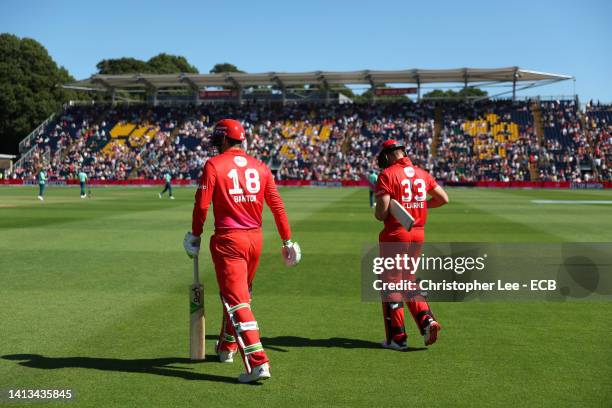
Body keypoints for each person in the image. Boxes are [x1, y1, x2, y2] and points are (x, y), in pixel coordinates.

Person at [183, 119, 301, 383]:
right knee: (237, 295)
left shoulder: (214, 165)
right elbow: (277, 206)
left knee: (237, 301)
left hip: (229, 240)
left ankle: (258, 363)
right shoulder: (261, 167)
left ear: (224, 140)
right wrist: (287, 241)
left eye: (217, 141)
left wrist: (195, 234)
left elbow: (202, 206)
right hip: (255, 240)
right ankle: (227, 346)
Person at [374, 140, 449, 350]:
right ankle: (427, 321)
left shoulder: (387, 174)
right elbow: (443, 198)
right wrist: (419, 205)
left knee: (391, 284)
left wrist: (385, 209)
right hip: (418, 233)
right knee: (408, 280)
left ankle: (397, 338)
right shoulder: (421, 173)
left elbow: (381, 214)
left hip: (396, 234)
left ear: (389, 155)